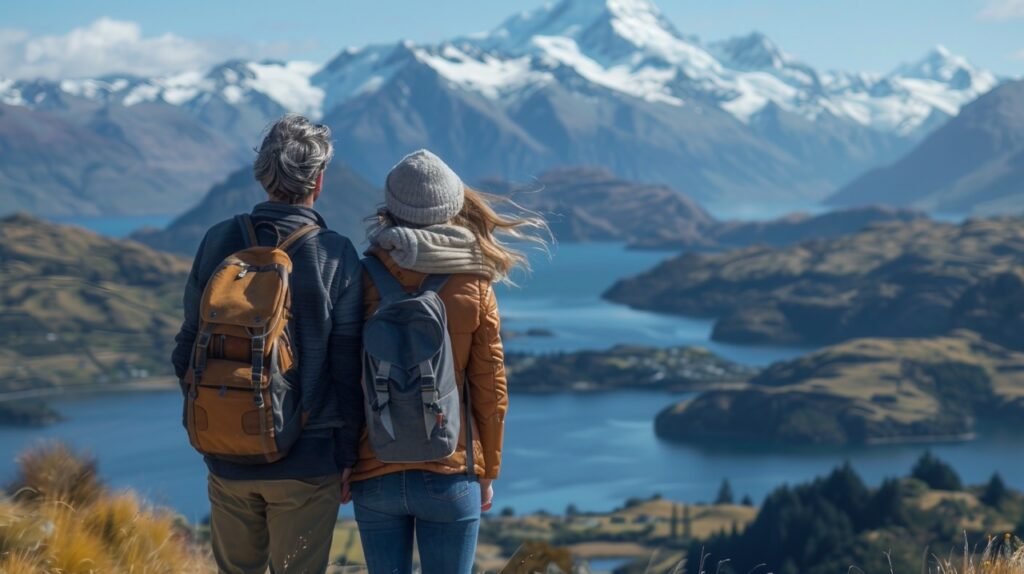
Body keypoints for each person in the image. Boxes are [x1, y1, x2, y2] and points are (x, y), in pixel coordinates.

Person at [171, 114, 364, 573]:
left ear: (262, 172)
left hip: (227, 456)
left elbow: (186, 349)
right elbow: (346, 369)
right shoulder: (334, 254)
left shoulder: (218, 240)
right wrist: (347, 456)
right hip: (308, 461)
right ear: (318, 180)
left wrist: (219, 418)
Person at [348, 149, 547, 574]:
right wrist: (488, 468)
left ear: (391, 207)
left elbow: (343, 378)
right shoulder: (475, 283)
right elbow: (490, 388)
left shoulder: (358, 276)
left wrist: (345, 463)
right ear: (453, 207)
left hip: (374, 468)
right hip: (452, 471)